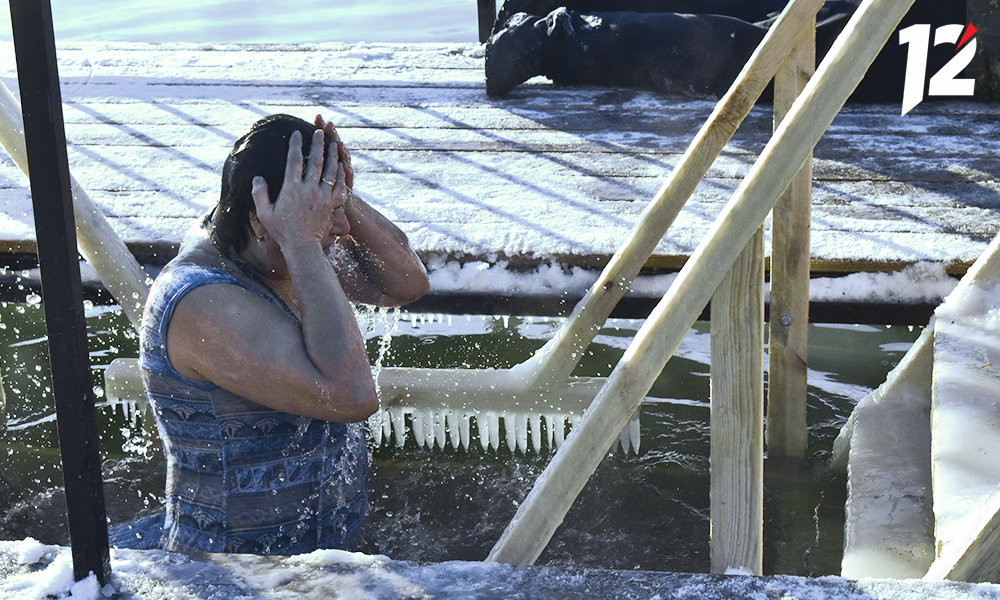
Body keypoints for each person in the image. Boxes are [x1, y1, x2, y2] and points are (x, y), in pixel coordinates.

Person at [113, 113, 429, 555]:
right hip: (228, 571)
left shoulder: (287, 250)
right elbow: (352, 396)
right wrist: (303, 239)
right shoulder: (202, 303)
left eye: (336, 210)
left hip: (319, 558)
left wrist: (340, 197)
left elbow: (405, 283)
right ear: (263, 217)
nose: (341, 231)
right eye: (323, 214)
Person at [484, 0, 966, 102]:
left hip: (964, 41)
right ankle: (558, 38)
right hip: (965, 38)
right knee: (774, 55)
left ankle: (559, 30)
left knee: (780, 39)